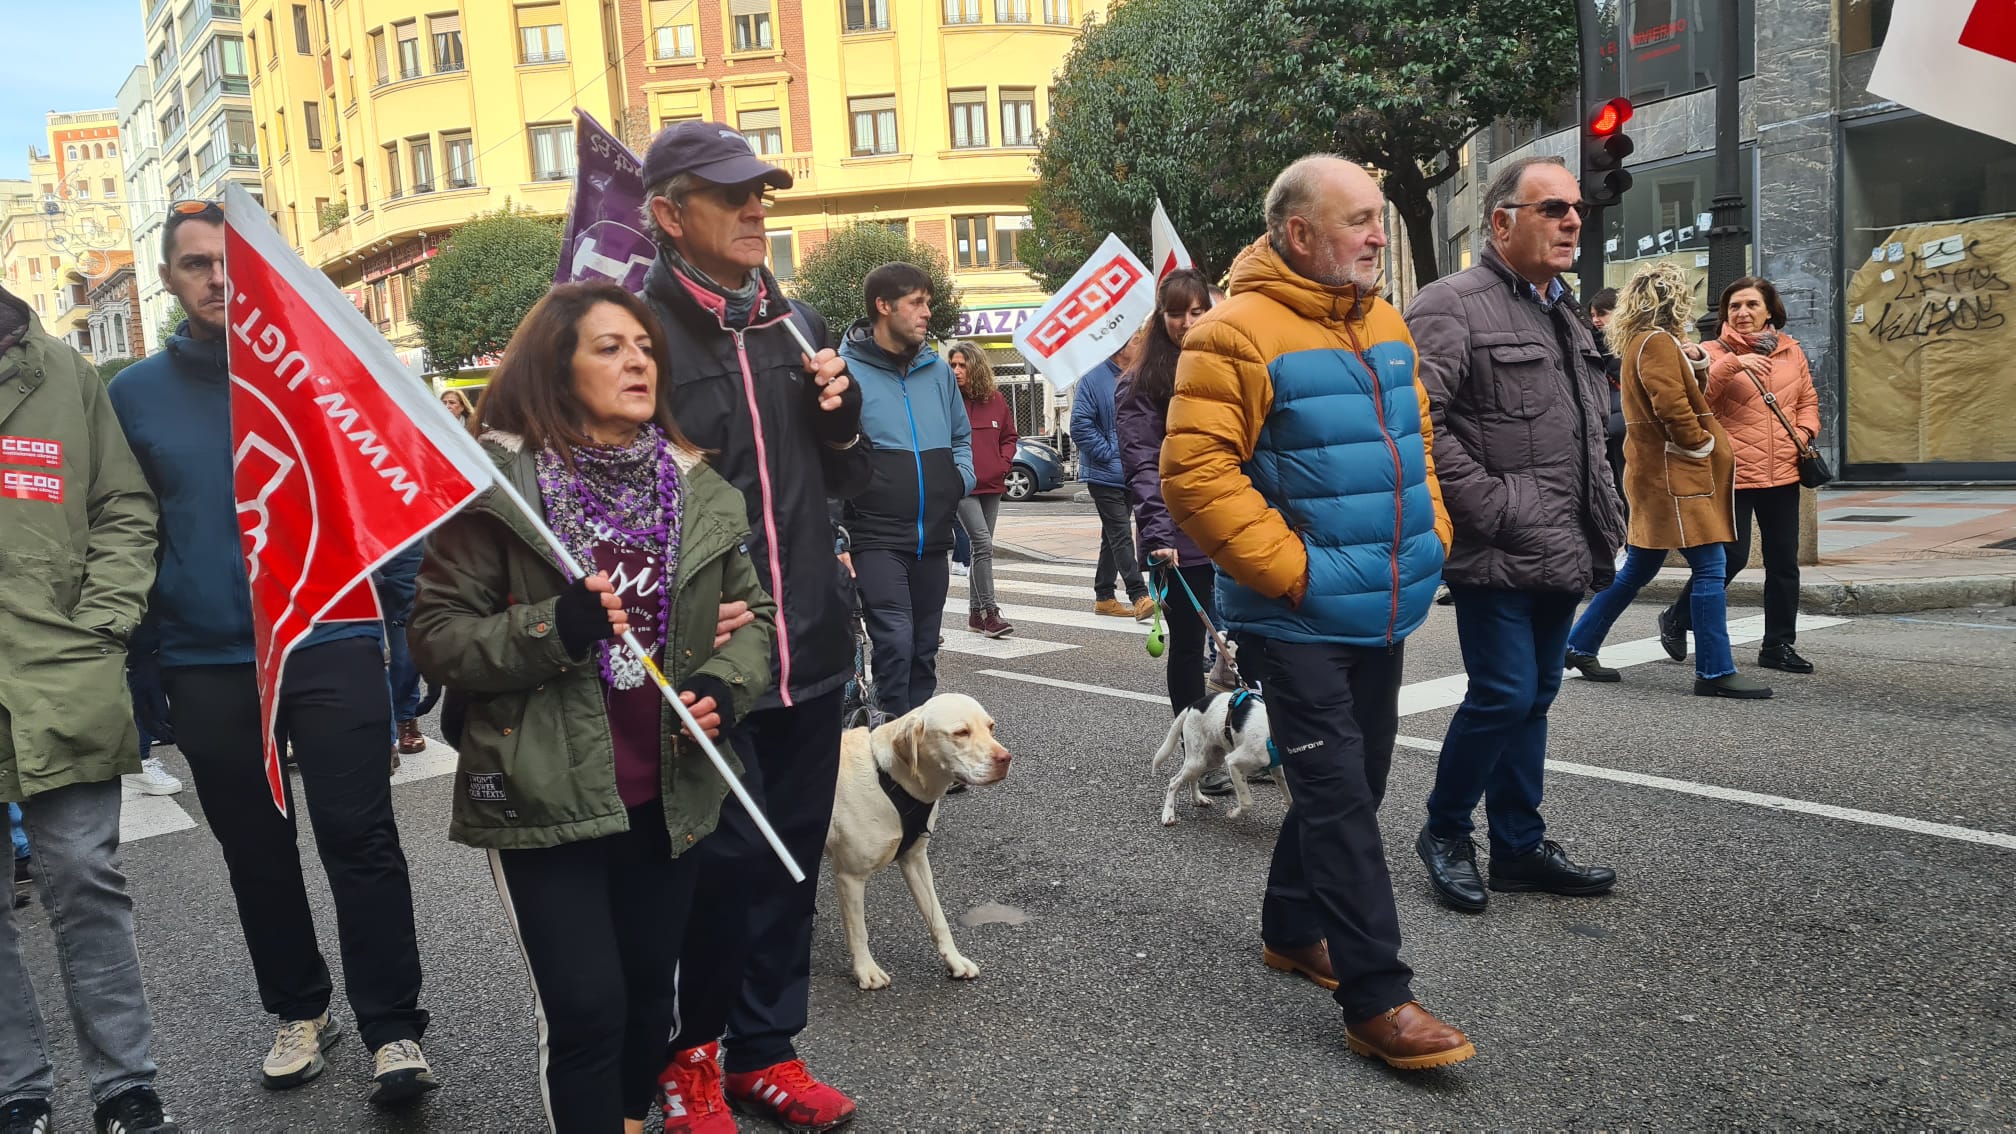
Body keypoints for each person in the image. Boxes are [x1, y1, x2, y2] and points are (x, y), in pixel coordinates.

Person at [410, 282, 777, 1133]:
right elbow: (436, 638)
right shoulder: (498, 494)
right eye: (609, 347)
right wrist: (554, 625)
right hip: (549, 791)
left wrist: (726, 685)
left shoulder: (699, 488)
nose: (637, 360)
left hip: (670, 791)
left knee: (651, 1003)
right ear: (556, 366)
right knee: (587, 1016)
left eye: (644, 345)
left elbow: (750, 618)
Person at [108, 201, 438, 1105]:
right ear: (169, 282)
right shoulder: (132, 398)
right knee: (257, 848)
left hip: (330, 632)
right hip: (210, 657)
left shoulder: (320, 370)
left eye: (231, 263)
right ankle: (299, 1008)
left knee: (360, 836)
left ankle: (394, 1030)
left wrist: (401, 637)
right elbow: (125, 535)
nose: (218, 279)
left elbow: (391, 499)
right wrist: (146, 666)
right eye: (196, 266)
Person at [1162, 155, 1474, 1071]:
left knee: (1360, 781)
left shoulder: (1381, 318)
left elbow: (1414, 443)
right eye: (1360, 221)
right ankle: (1379, 998)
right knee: (1339, 798)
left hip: (1381, 605)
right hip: (1295, 616)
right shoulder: (1231, 334)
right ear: (1300, 234)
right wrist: (1295, 574)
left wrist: (1433, 538)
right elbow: (1195, 476)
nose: (1380, 235)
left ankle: (1294, 929)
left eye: (1381, 218)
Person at [634, 120, 868, 1133]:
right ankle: (685, 1055)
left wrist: (839, 418)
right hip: (711, 658)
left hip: (810, 638)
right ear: (669, 214)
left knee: (789, 857)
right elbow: (607, 495)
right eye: (731, 195)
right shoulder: (632, 330)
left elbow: (844, 479)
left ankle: (766, 1051)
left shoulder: (797, 321)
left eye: (761, 191)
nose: (755, 209)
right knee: (709, 870)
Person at [1406, 155, 1625, 915]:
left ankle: (1519, 847)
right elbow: (1415, 421)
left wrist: (1603, 514)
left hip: (1563, 540)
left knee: (1534, 695)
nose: (1572, 220)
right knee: (1501, 694)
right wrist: (1493, 507)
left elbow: (1584, 427)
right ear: (1501, 223)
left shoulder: (1561, 308)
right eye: (1552, 208)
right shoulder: (1451, 304)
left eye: (1576, 209)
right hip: (1496, 542)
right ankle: (1443, 830)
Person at [0, 282, 180, 1132]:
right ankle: (15, 1091)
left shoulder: (64, 374)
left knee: (84, 879)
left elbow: (123, 506)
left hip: (60, 672)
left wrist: (102, 625)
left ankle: (125, 1086)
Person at [1561, 263, 1771, 699]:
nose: (1689, 305)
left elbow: (1676, 391)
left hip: (1658, 473)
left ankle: (1578, 644)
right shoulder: (1656, 343)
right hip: (1676, 474)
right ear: (1671, 301)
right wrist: (1698, 445)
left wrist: (1695, 359)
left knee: (1639, 566)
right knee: (1711, 568)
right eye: (1683, 297)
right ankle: (1714, 671)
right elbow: (1672, 406)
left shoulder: (1648, 341)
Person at [1657, 276, 1821, 675]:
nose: (1742, 313)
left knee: (1784, 562)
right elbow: (1700, 402)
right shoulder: (1710, 352)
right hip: (1732, 472)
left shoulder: (1790, 351)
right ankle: (1678, 617)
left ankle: (1778, 645)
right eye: (1735, 306)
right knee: (1730, 557)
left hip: (1781, 470)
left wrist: (1803, 433)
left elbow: (1806, 400)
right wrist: (1732, 364)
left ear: (1769, 311)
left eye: (1751, 305)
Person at [839, 263, 975, 718]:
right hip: (874, 533)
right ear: (884, 306)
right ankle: (895, 739)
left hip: (934, 533)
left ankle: (918, 741)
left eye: (928, 303)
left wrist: (959, 479)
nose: (925, 313)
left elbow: (961, 436)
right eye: (917, 302)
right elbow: (829, 453)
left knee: (922, 646)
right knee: (894, 640)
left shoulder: (937, 370)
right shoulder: (845, 371)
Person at [1118, 268, 1216, 714]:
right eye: (1177, 313)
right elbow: (1142, 464)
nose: (1188, 321)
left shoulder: (1229, 365)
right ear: (1160, 318)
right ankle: (1198, 750)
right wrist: (1158, 535)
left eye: (1198, 310)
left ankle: (1247, 738)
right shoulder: (1140, 383)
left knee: (1251, 637)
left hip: (1236, 524)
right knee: (1190, 645)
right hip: (1179, 533)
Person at [1073, 338, 1152, 620]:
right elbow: (1079, 425)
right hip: (1105, 474)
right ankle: (1139, 595)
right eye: (1136, 341)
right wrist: (1108, 453)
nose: (1141, 345)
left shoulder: (1138, 376)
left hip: (1131, 471)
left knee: (1112, 535)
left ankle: (1104, 595)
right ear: (1120, 347)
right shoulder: (1093, 379)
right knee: (1121, 535)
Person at [947, 340, 1016, 639]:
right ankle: (990, 612)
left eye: (962, 365)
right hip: (963, 486)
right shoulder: (947, 401)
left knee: (980, 548)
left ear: (976, 367)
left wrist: (1003, 462)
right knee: (983, 543)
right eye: (953, 365)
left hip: (993, 483)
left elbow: (1009, 436)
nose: (957, 370)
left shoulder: (997, 400)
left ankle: (975, 615)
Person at [376, 543, 429, 762]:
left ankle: (406, 717)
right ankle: (381, 737)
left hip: (401, 532)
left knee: (407, 639)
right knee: (366, 644)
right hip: (348, 536)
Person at [1589, 287, 1628, 513]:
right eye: (1593, 315)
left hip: (1621, 421)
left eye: (1601, 314)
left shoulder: (1628, 343)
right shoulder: (1590, 342)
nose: (1596, 320)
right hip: (1606, 421)